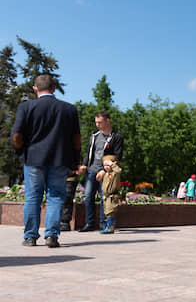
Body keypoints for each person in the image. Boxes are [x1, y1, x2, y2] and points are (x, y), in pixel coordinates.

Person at [11, 74, 81, 247]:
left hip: (33, 159)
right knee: (56, 197)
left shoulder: (26, 107)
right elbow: (76, 138)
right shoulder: (69, 109)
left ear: (35, 89)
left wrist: (21, 152)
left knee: (33, 197)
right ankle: (51, 236)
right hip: (60, 159)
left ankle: (30, 237)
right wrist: (75, 159)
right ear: (54, 88)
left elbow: (17, 136)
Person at [78, 111, 124, 231]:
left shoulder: (116, 137)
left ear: (107, 121)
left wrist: (105, 170)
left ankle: (104, 224)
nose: (97, 124)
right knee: (88, 196)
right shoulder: (94, 135)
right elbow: (89, 152)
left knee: (105, 198)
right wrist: (84, 165)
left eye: (100, 122)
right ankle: (90, 223)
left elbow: (117, 157)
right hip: (91, 170)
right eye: (96, 122)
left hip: (107, 172)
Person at [96, 154, 122, 234]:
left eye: (108, 165)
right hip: (106, 196)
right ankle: (110, 226)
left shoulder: (115, 173)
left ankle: (110, 227)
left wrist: (112, 164)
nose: (106, 167)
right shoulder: (106, 173)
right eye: (104, 165)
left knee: (110, 211)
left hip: (112, 196)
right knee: (107, 211)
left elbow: (119, 170)